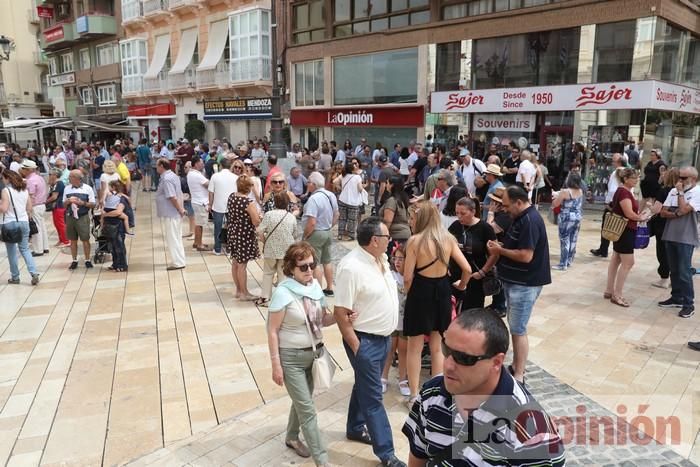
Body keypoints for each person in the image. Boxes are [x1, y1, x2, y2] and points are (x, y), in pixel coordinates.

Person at [402, 309, 566, 466]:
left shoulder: (533, 431)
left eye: (464, 358)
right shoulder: (432, 392)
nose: (448, 365)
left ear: (496, 362)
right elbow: (418, 454)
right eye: (446, 350)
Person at [333, 217, 407, 467]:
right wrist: (357, 347)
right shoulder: (351, 267)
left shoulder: (380, 259)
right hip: (365, 340)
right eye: (387, 237)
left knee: (364, 386)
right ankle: (386, 453)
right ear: (375, 240)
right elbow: (340, 313)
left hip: (383, 339)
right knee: (374, 396)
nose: (391, 241)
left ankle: (355, 427)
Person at [267, 242, 342, 467]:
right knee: (308, 410)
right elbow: (272, 331)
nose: (309, 270)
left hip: (315, 355)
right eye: (303, 267)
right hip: (290, 359)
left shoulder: (315, 287)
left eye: (312, 265)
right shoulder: (282, 292)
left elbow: (322, 321)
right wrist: (275, 365)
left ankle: (291, 437)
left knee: (303, 402)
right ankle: (322, 460)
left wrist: (341, 315)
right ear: (291, 268)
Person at [404, 201, 471, 403]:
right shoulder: (448, 239)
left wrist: (409, 294)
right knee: (437, 345)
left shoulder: (415, 241)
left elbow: (407, 277)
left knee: (414, 347)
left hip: (420, 291)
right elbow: (467, 269)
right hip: (442, 290)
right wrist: (462, 286)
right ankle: (436, 392)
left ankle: (414, 394)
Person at [486, 186, 551, 384]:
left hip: (525, 283)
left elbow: (525, 255)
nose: (504, 209)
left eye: (507, 205)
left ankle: (519, 373)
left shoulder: (530, 221)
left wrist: (500, 250)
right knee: (516, 326)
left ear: (519, 202)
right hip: (516, 282)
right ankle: (515, 365)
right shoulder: (521, 217)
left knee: (518, 328)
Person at [658, 167, 700, 318]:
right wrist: (677, 213)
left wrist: (680, 194)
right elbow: (663, 212)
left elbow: (683, 209)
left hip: (686, 237)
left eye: (683, 178)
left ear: (693, 179)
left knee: (684, 272)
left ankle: (689, 304)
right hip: (670, 235)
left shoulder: (697, 192)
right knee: (674, 270)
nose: (679, 181)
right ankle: (676, 297)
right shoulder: (673, 191)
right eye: (679, 177)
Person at [604, 168, 648, 308]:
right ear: (626, 179)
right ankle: (617, 294)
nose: (636, 180)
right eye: (634, 178)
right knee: (628, 263)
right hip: (625, 231)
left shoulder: (624, 191)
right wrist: (641, 217)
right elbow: (629, 213)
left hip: (622, 230)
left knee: (616, 259)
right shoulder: (623, 192)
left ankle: (609, 290)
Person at [448, 197, 498, 311]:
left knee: (472, 312)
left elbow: (494, 254)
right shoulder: (455, 226)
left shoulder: (485, 228)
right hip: (455, 276)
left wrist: (482, 272)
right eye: (457, 213)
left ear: (473, 212)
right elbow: (446, 246)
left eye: (463, 213)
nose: (459, 216)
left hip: (475, 278)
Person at [257, 191, 297, 306]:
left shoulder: (269, 215)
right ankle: (281, 299)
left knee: (268, 273)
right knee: (282, 274)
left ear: (275, 202)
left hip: (270, 249)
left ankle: (265, 298)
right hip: (286, 250)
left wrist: (264, 240)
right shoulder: (291, 217)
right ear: (287, 203)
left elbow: (259, 231)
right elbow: (294, 234)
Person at [0, 169, 40, 285]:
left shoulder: (6, 190)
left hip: (9, 223)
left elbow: (4, 209)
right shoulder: (24, 190)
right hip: (24, 221)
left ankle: (15, 277)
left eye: (3, 178)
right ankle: (34, 273)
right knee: (25, 249)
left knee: (12, 251)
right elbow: (29, 208)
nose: (2, 180)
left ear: (8, 178)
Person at [302, 172, 339, 296]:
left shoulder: (314, 199)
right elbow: (337, 214)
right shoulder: (331, 195)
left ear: (313, 184)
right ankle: (329, 288)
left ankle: (317, 289)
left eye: (308, 182)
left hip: (316, 232)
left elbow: (312, 222)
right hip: (327, 231)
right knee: (327, 261)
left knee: (315, 262)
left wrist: (306, 235)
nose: (307, 184)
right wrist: (329, 226)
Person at [226, 175, 261, 300]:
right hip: (244, 234)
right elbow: (256, 221)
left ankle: (238, 290)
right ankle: (244, 293)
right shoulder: (248, 202)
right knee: (242, 265)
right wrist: (259, 216)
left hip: (233, 232)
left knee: (235, 262)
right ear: (248, 187)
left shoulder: (232, 197)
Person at [381, 244, 409, 396]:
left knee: (404, 350)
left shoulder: (411, 277)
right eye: (395, 258)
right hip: (392, 320)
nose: (397, 262)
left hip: (406, 321)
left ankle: (403, 379)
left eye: (401, 259)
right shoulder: (391, 276)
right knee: (389, 349)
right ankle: (383, 377)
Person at [648, 168, 679, 289]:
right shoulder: (682, 192)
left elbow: (656, 209)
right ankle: (674, 278)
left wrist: (649, 205)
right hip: (676, 224)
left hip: (662, 225)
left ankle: (664, 278)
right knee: (674, 253)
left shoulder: (664, 191)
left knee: (662, 252)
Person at [155, 158, 187, 271]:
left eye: (157, 165)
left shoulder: (167, 179)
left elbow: (172, 197)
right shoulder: (172, 176)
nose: (156, 167)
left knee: (173, 238)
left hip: (171, 213)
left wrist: (180, 209)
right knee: (176, 237)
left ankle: (178, 262)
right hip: (173, 212)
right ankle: (180, 259)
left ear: (162, 166)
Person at [590, 153, 624, 258]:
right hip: (623, 201)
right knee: (618, 226)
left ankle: (604, 249)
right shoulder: (627, 170)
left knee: (607, 226)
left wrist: (607, 202)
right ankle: (612, 250)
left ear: (618, 162)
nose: (612, 163)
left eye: (613, 161)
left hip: (614, 203)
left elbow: (613, 190)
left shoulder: (617, 172)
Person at [63, 169, 96, 270]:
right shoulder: (67, 189)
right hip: (70, 216)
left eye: (71, 177)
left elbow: (93, 204)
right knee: (73, 240)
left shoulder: (87, 189)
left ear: (77, 178)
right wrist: (68, 201)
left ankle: (87, 260)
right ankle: (74, 260)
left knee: (85, 239)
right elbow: (63, 204)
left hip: (82, 216)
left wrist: (83, 203)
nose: (69, 178)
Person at [551, 173, 584, 270]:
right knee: (573, 239)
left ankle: (563, 264)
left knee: (564, 240)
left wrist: (555, 197)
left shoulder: (565, 192)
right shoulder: (580, 191)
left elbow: (555, 204)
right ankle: (569, 261)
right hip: (577, 216)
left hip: (566, 217)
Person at [208, 158, 238, 256]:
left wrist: (210, 204)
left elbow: (211, 193)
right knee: (231, 228)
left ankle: (217, 249)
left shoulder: (215, 176)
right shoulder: (235, 177)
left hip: (218, 205)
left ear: (221, 165)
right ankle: (230, 249)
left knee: (217, 228)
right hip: (232, 205)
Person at [21, 160, 50, 257]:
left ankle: (38, 250)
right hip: (42, 205)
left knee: (35, 228)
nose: (22, 170)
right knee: (42, 227)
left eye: (24, 169)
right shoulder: (39, 177)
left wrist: (28, 209)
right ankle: (45, 247)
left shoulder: (30, 180)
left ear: (28, 170)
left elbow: (31, 195)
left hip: (35, 206)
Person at [101, 180, 130, 272]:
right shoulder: (111, 197)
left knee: (119, 246)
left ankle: (122, 265)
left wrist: (105, 214)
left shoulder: (122, 199)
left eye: (109, 187)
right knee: (112, 246)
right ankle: (115, 264)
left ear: (114, 187)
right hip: (110, 225)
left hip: (118, 226)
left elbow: (118, 212)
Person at [379, 174, 412, 253]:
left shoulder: (392, 201)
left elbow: (388, 221)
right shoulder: (403, 199)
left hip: (395, 236)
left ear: (392, 185)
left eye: (387, 183)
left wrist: (383, 236)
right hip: (405, 234)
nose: (386, 185)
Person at [187, 155, 211, 251]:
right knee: (200, 224)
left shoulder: (191, 173)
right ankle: (199, 244)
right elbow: (208, 185)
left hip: (197, 201)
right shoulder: (196, 175)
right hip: (200, 202)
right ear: (196, 164)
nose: (203, 165)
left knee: (198, 223)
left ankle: (197, 242)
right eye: (201, 163)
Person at [337, 161, 364, 241]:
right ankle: (351, 235)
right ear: (352, 169)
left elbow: (335, 182)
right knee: (352, 220)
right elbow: (360, 188)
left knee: (342, 218)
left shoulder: (343, 176)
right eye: (355, 166)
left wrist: (341, 188)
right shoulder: (357, 177)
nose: (356, 167)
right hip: (353, 201)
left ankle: (340, 234)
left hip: (342, 199)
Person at [46, 168, 69, 247]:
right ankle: (61, 239)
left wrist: (45, 202)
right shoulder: (55, 184)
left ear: (55, 175)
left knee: (60, 224)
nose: (49, 176)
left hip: (59, 206)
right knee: (57, 224)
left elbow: (54, 197)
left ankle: (65, 241)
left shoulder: (59, 183)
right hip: (56, 207)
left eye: (50, 174)